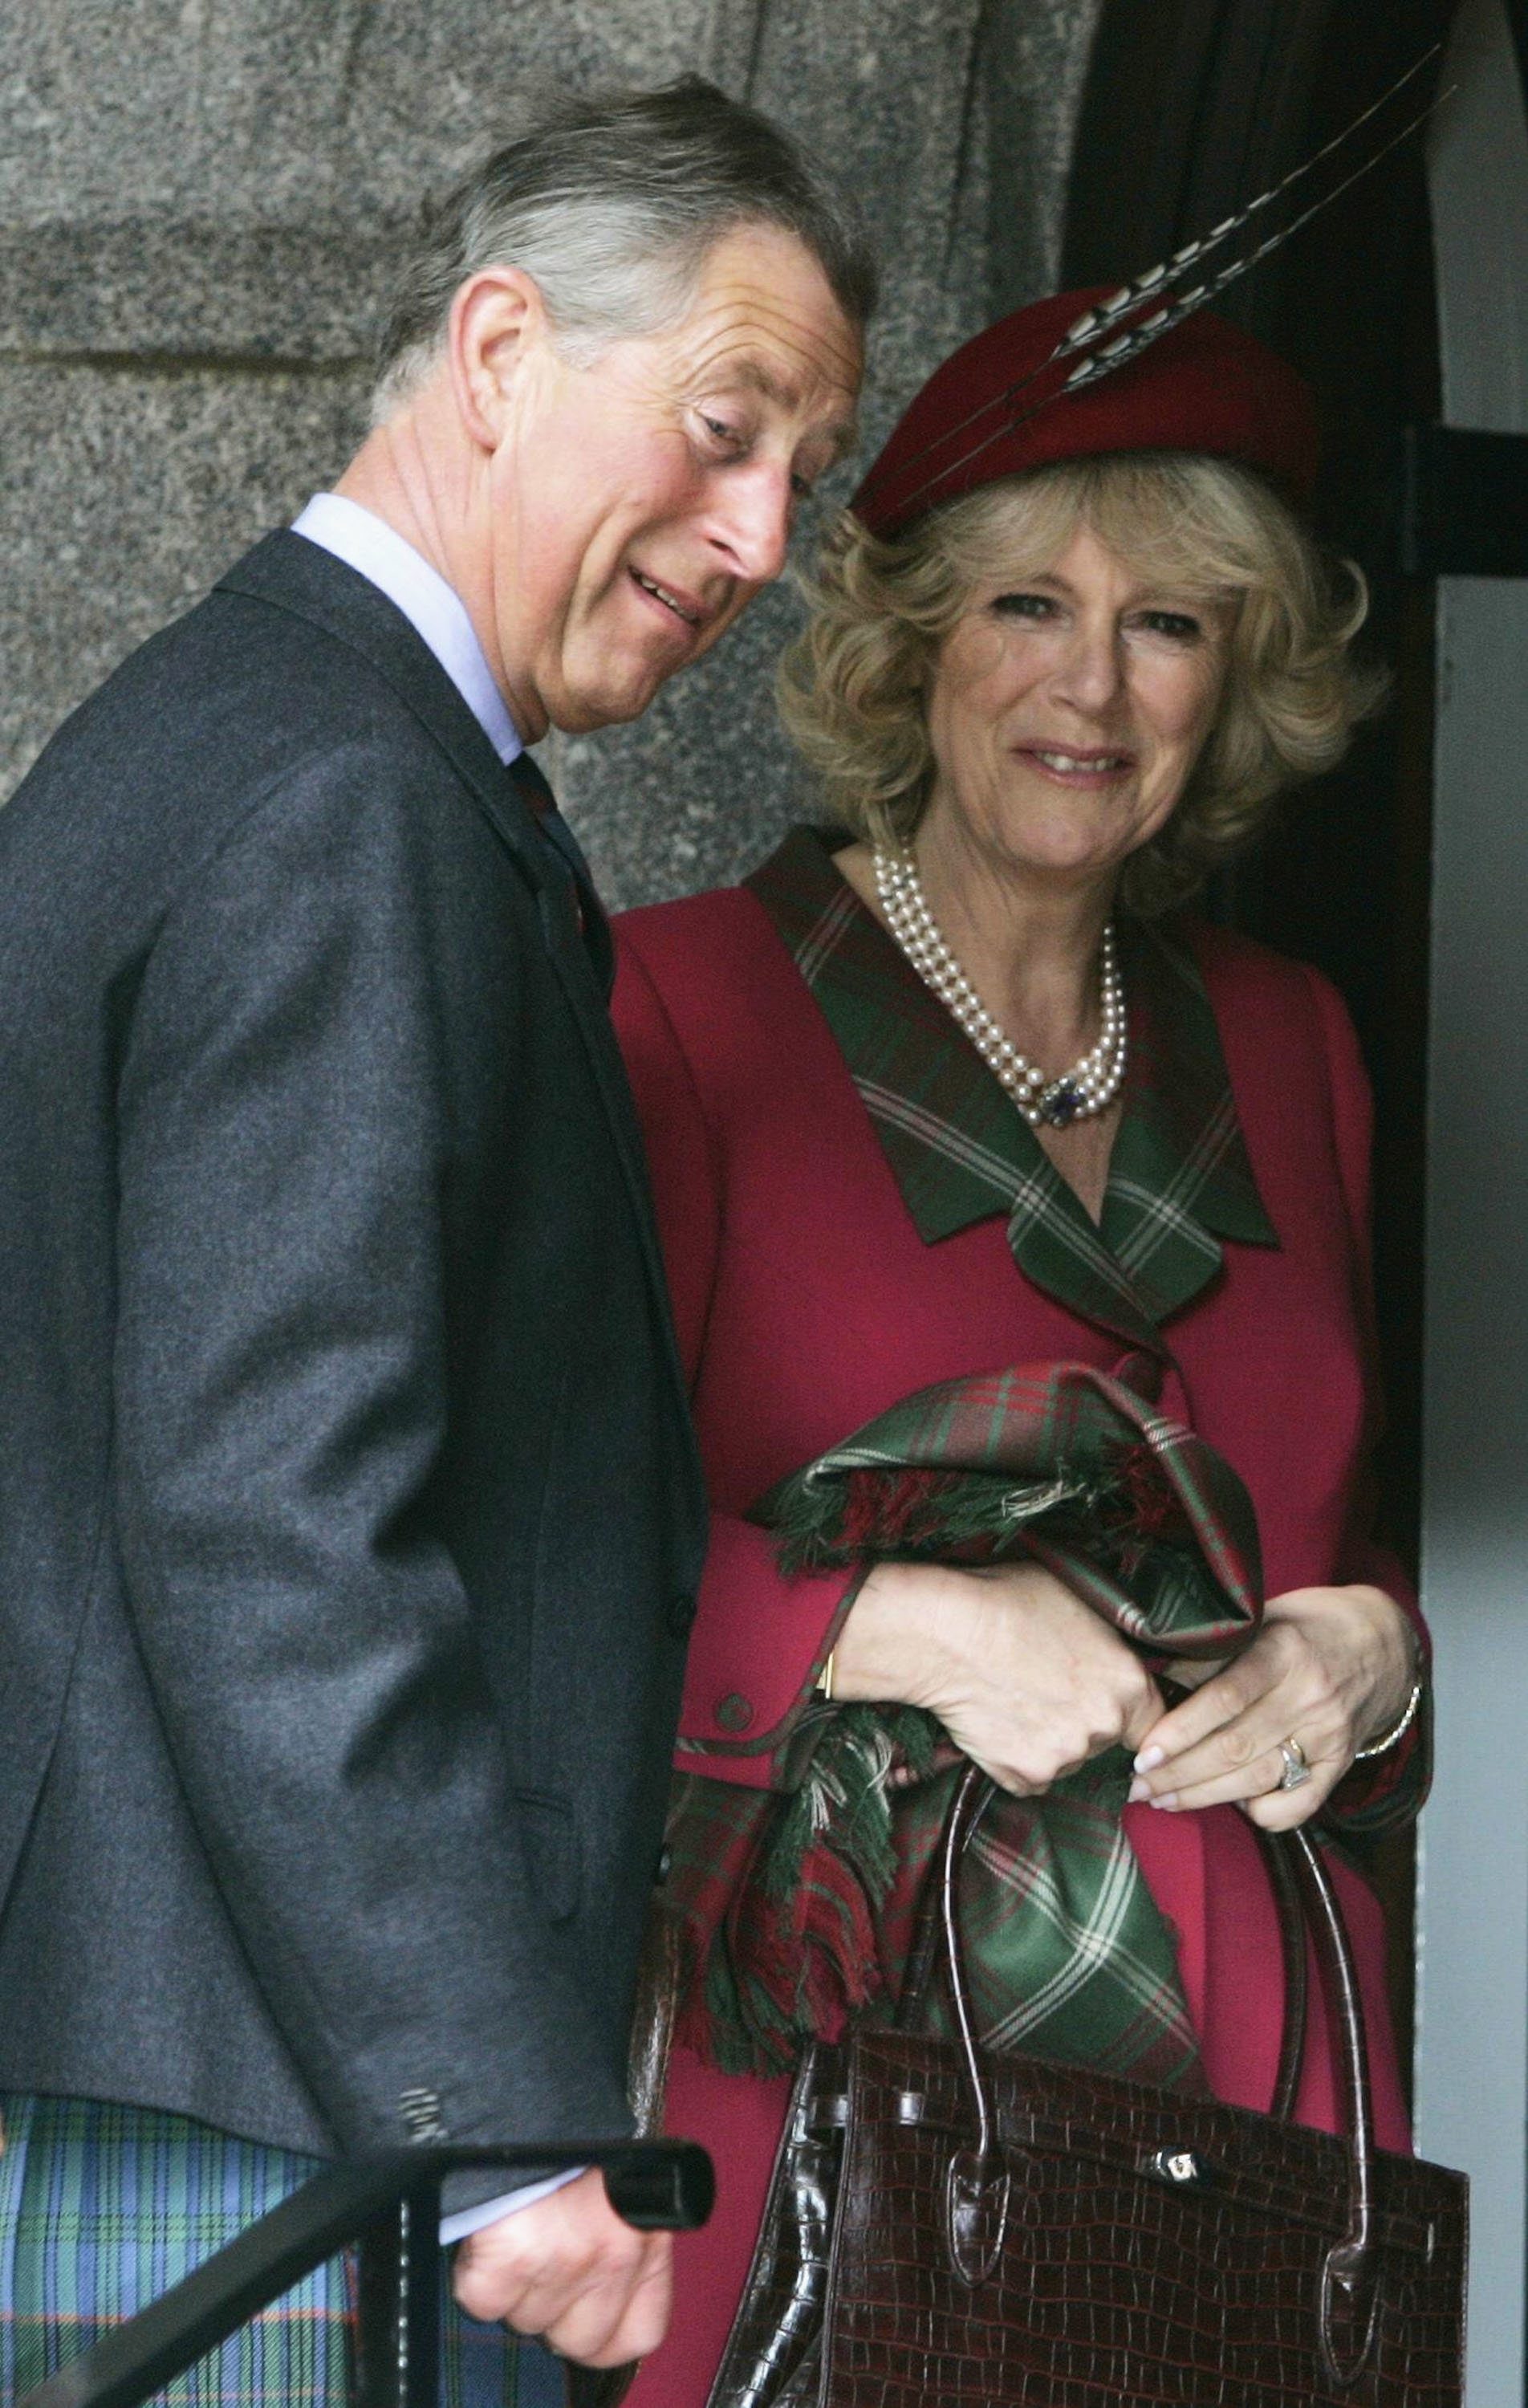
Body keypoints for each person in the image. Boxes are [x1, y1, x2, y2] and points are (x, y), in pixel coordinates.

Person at [0, 78, 870, 2406]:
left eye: (799, 466)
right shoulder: (343, 800)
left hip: (223, 2109)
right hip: (289, 2161)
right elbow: (276, 1520)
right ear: (498, 355)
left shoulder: (268, 732)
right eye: (720, 425)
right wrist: (495, 2127)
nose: (765, 526)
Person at [611, 290, 1428, 2406]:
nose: (1092, 681)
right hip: (846, 2103)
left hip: (1260, 2118)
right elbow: (518, 1563)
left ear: (1234, 677)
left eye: (1167, 624)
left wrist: (1370, 1656)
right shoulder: (682, 1015)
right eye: (1028, 607)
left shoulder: (1290, 1041)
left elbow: (1336, 1534)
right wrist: (904, 1628)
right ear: (915, 646)